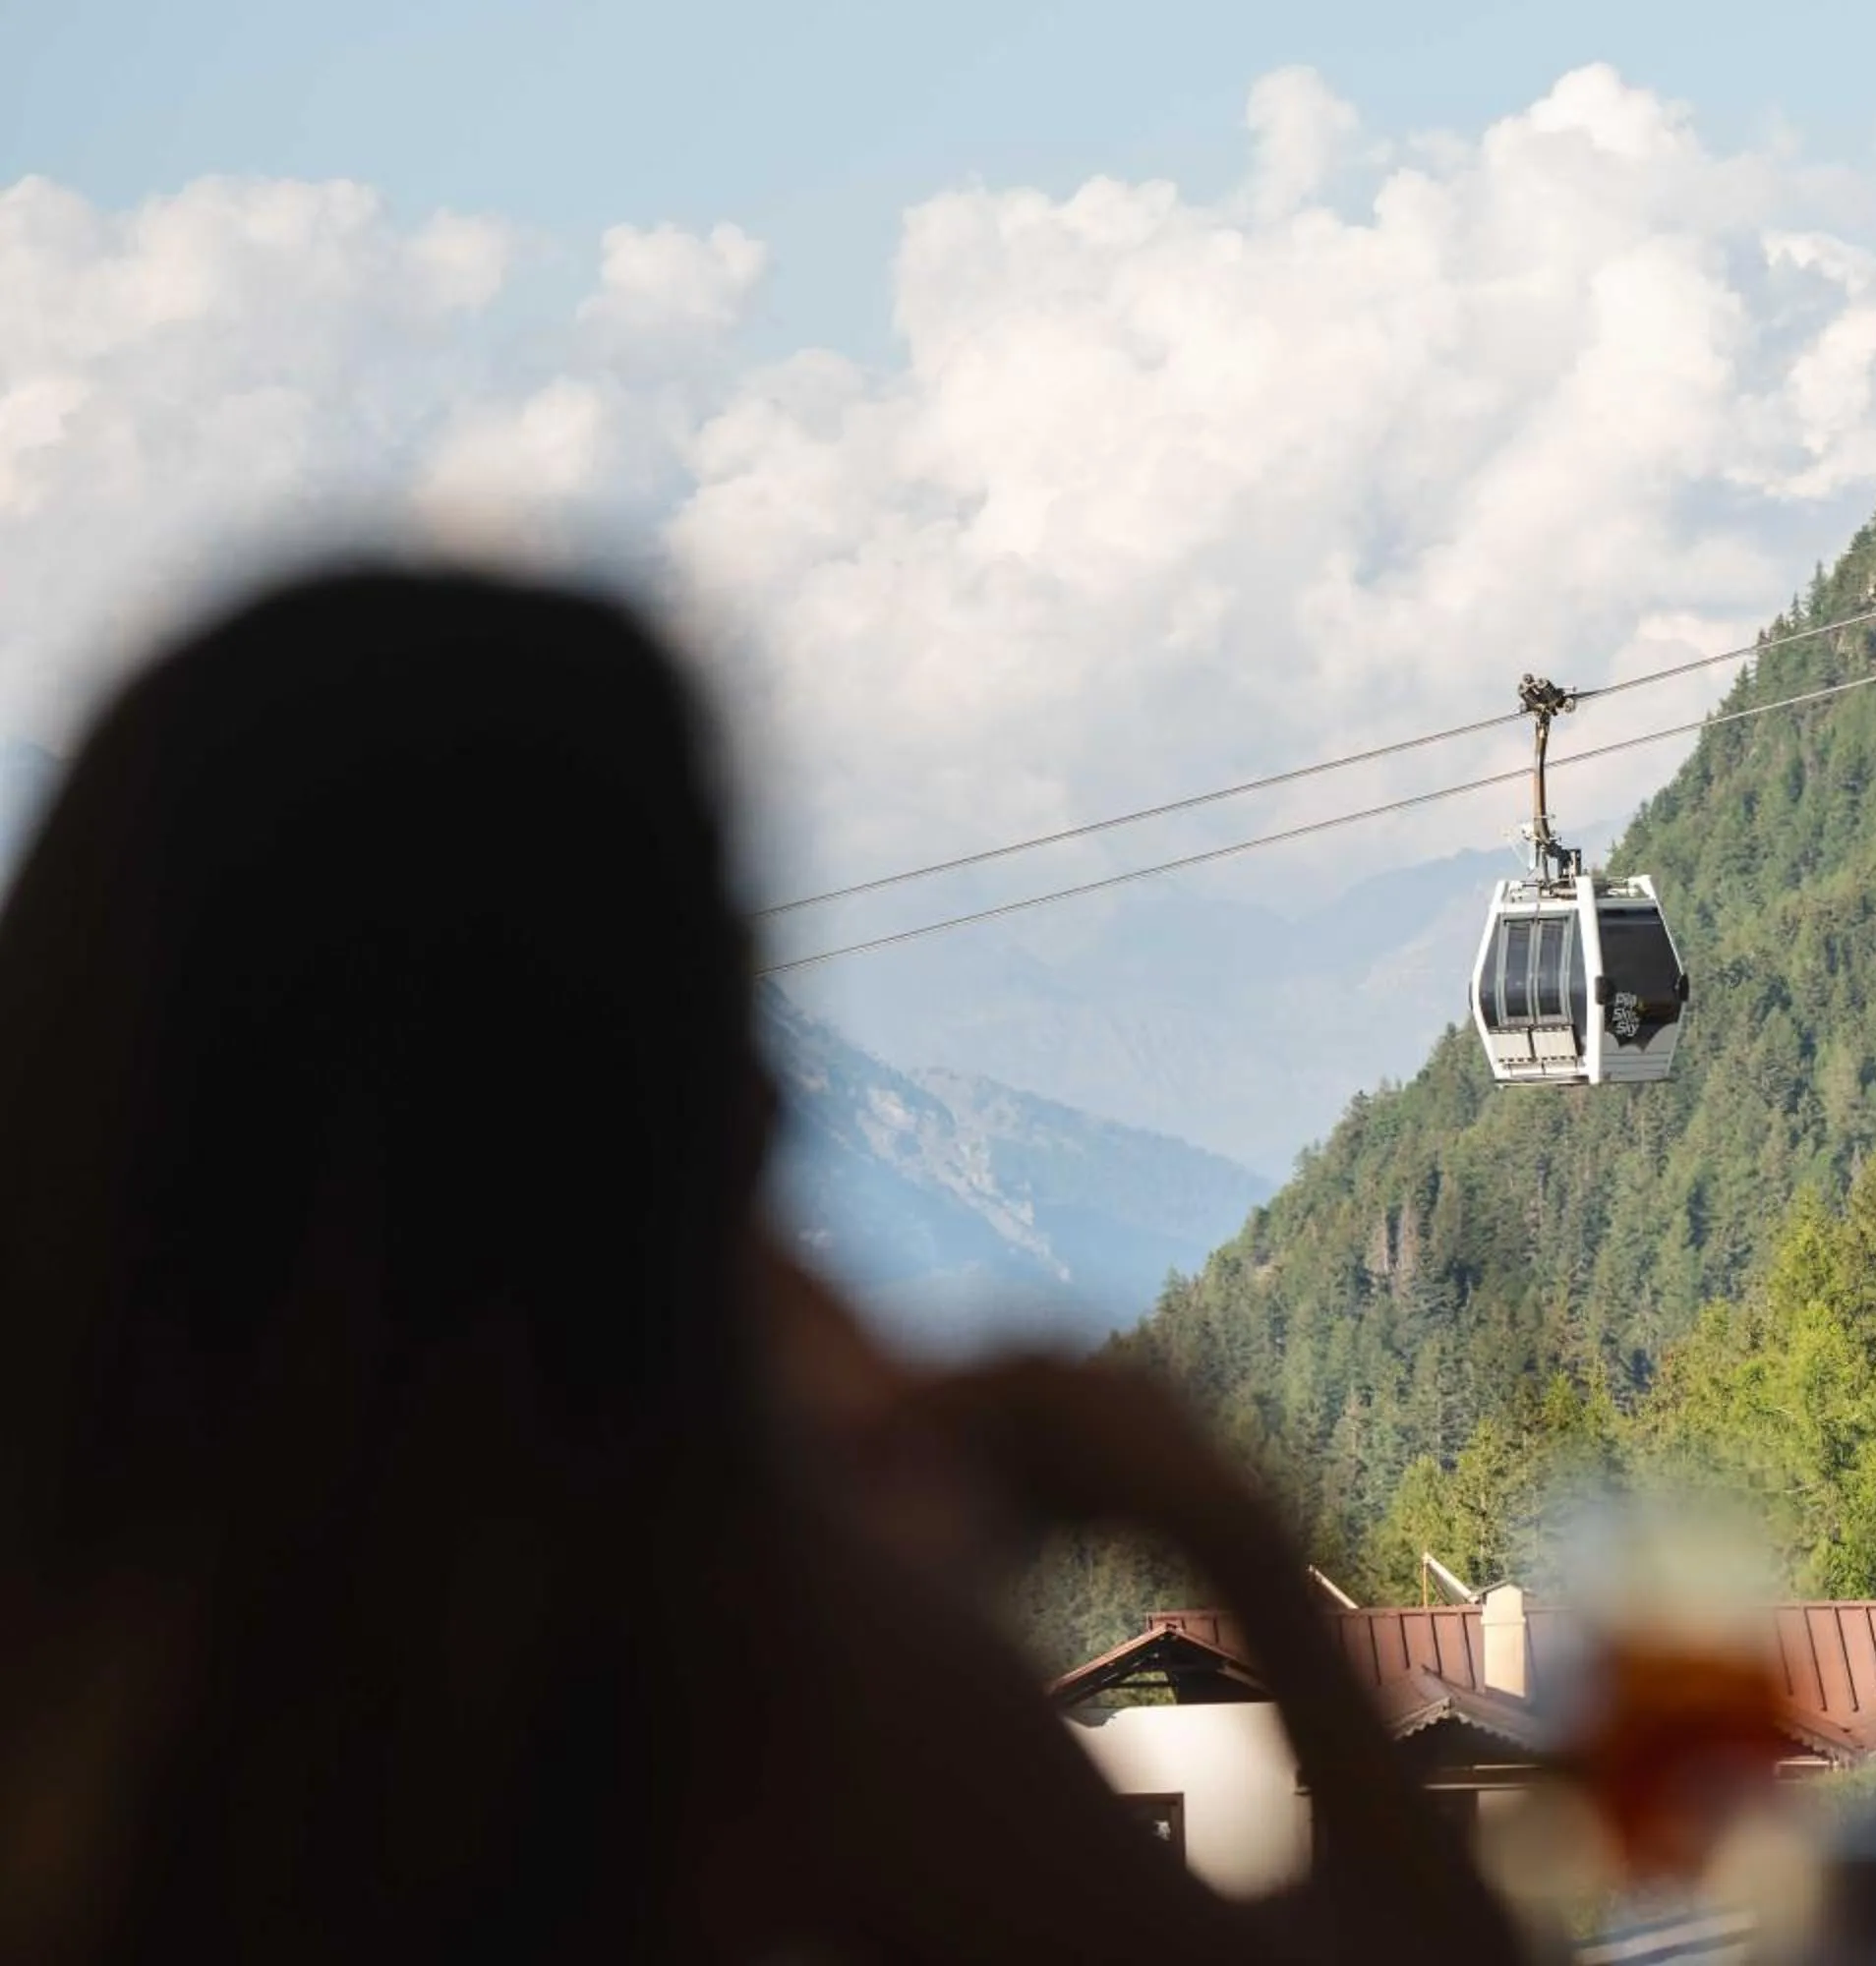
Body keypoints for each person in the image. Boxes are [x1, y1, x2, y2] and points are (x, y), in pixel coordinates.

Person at [0, 566, 1518, 1966]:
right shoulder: (711, 1654)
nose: (777, 1097)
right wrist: (1221, 1529)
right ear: (592, 1087)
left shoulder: (118, 1661)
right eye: (716, 992)